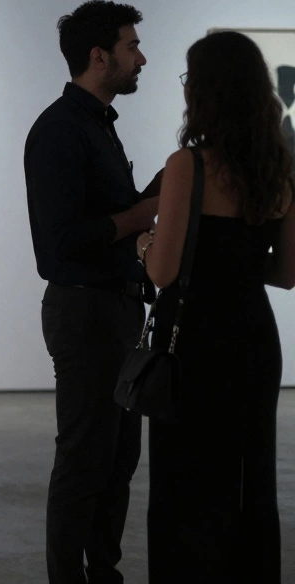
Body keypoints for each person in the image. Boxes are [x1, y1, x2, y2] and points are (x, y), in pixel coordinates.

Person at [137, 31, 295, 583]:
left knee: (187, 487)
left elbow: (162, 271)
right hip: (253, 340)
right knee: (250, 483)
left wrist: (142, 243)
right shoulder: (281, 169)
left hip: (193, 343)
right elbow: (287, 273)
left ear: (204, 91)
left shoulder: (189, 166)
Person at [24, 0, 159, 584]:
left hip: (115, 309)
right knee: (85, 460)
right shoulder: (59, 129)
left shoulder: (96, 124)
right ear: (99, 56)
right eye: (132, 47)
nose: (141, 58)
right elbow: (56, 249)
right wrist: (140, 217)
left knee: (119, 458)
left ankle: (103, 573)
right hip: (84, 313)